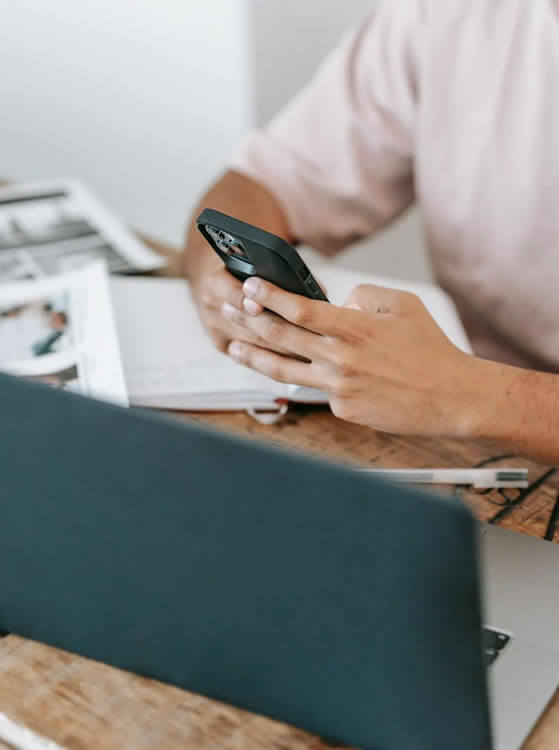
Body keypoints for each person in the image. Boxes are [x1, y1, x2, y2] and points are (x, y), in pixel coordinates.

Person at [183, 1, 559, 465]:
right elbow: (259, 185)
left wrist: (467, 394)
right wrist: (222, 284)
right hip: (481, 427)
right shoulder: (442, 16)